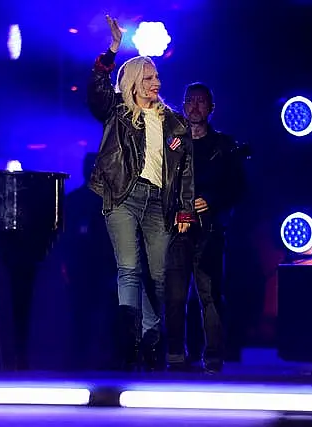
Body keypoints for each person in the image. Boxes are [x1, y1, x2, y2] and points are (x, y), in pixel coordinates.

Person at [87, 16, 195, 372]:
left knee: (163, 275)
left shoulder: (175, 122)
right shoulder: (117, 112)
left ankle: (152, 332)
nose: (155, 83)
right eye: (148, 78)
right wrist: (113, 48)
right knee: (129, 270)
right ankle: (133, 343)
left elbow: (185, 171)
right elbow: (96, 89)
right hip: (123, 195)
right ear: (133, 81)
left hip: (158, 203)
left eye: (157, 78)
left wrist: (184, 210)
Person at [165, 82, 246, 373]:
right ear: (183, 105)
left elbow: (238, 188)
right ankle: (175, 353)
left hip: (209, 232)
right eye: (190, 101)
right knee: (174, 296)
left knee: (210, 295)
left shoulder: (224, 147)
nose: (195, 107)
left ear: (211, 107)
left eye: (201, 101)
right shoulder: (171, 145)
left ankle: (212, 355)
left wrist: (211, 200)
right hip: (176, 230)